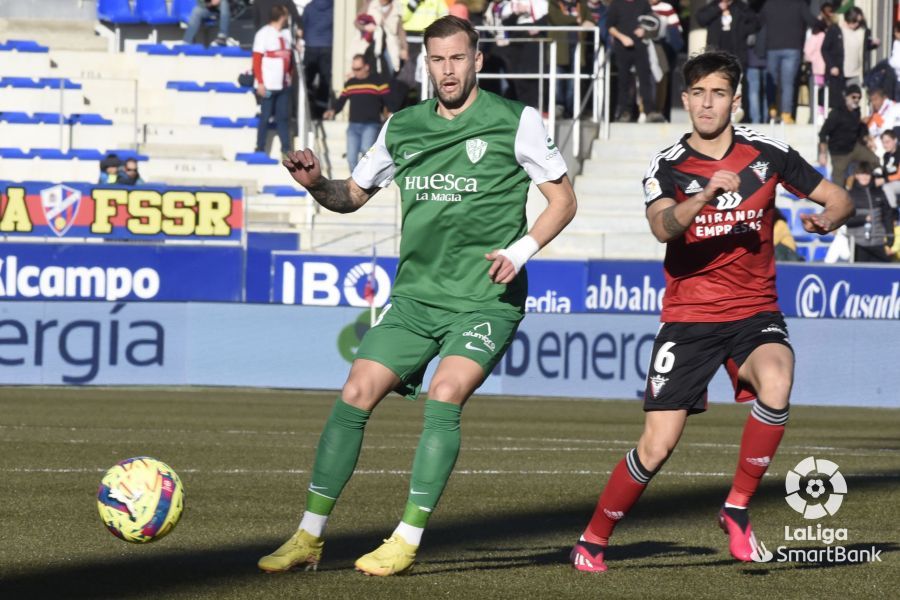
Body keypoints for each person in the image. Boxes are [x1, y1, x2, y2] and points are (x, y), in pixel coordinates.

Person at [257, 15, 577, 577]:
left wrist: (520, 251)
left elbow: (563, 200)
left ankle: (405, 538)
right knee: (355, 392)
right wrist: (315, 184)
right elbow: (350, 196)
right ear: (424, 64)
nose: (448, 70)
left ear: (477, 60)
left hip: (484, 299)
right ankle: (308, 536)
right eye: (437, 60)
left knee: (445, 394)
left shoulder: (516, 121)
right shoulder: (402, 126)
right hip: (415, 300)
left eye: (458, 58)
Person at [570, 49, 852, 573]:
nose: (707, 103)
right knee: (656, 447)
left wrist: (827, 219)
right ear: (684, 100)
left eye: (718, 92)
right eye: (697, 93)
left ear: (735, 100)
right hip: (688, 319)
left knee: (777, 380)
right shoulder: (669, 166)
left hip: (753, 312)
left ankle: (737, 508)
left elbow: (838, 198)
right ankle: (592, 538)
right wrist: (702, 196)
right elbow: (662, 227)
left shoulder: (767, 153)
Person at [324, 55, 390, 172]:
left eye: (358, 69)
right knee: (351, 158)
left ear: (366, 67)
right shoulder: (350, 83)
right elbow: (341, 101)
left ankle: (368, 181)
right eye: (353, 69)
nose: (355, 72)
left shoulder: (378, 81)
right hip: (353, 126)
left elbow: (389, 100)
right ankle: (356, 185)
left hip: (371, 125)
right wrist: (332, 110)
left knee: (366, 151)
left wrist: (390, 112)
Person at [607, 0, 664, 123]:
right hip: (622, 48)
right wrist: (623, 38)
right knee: (624, 81)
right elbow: (610, 27)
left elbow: (652, 20)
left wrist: (644, 30)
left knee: (645, 80)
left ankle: (649, 111)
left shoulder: (643, 3)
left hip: (640, 47)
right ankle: (623, 112)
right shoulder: (616, 4)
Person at [760, 0, 815, 123]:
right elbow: (811, 21)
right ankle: (786, 113)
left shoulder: (769, 4)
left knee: (771, 81)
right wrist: (824, 23)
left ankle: (772, 109)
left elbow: (758, 22)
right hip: (792, 47)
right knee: (788, 83)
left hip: (772, 46)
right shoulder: (799, 4)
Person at [253, 4, 294, 156]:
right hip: (269, 85)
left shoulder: (286, 34)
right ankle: (260, 147)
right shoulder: (263, 34)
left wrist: (290, 75)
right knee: (265, 117)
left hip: (284, 85)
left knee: (283, 118)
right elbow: (256, 60)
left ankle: (286, 149)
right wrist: (260, 82)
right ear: (281, 16)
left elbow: (289, 58)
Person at [817, 83, 877, 187]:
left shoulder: (856, 111)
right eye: (853, 96)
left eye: (859, 97)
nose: (856, 100)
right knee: (838, 184)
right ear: (846, 97)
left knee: (875, 161)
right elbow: (823, 133)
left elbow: (859, 128)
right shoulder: (836, 113)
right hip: (839, 153)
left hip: (854, 147)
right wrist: (822, 154)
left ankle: (857, 179)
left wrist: (867, 139)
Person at [846, 162, 895, 263]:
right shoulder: (849, 195)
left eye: (867, 174)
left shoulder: (880, 192)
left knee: (884, 273)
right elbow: (845, 220)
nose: (864, 177)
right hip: (858, 243)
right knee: (860, 275)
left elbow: (888, 215)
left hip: (879, 242)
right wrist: (863, 219)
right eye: (861, 174)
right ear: (856, 175)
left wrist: (890, 236)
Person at [822, 7, 865, 110]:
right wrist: (832, 65)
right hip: (839, 72)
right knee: (838, 102)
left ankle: (853, 121)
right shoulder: (835, 30)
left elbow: (863, 47)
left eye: (859, 21)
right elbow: (825, 49)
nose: (857, 24)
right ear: (849, 19)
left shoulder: (862, 31)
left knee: (854, 101)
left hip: (855, 73)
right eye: (855, 21)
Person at [301, 0, 334, 120]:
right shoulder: (333, 7)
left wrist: (308, 38)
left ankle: (307, 105)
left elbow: (303, 25)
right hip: (327, 46)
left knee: (307, 79)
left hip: (311, 46)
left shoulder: (309, 7)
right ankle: (320, 110)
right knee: (324, 80)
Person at [878, 130, 900, 208]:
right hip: (893, 183)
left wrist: (884, 180)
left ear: (895, 140)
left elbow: (898, 175)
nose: (885, 145)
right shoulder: (886, 155)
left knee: (887, 187)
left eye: (887, 142)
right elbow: (885, 172)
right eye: (883, 142)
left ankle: (894, 212)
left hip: (897, 182)